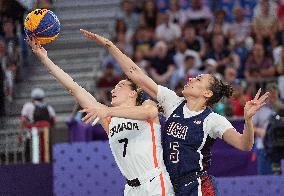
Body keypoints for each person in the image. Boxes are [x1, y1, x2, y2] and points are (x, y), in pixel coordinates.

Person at [80, 30, 270, 195]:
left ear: (207, 93)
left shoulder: (212, 120)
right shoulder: (173, 103)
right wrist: (110, 45)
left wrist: (248, 120)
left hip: (198, 185)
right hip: (174, 185)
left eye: (198, 79)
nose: (191, 78)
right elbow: (135, 73)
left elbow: (244, 145)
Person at [26, 38, 174, 196]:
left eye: (119, 86)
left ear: (133, 93)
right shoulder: (109, 118)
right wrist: (45, 59)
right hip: (132, 189)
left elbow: (150, 114)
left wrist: (108, 111)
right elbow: (74, 88)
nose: (113, 90)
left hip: (154, 183)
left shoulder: (146, 105)